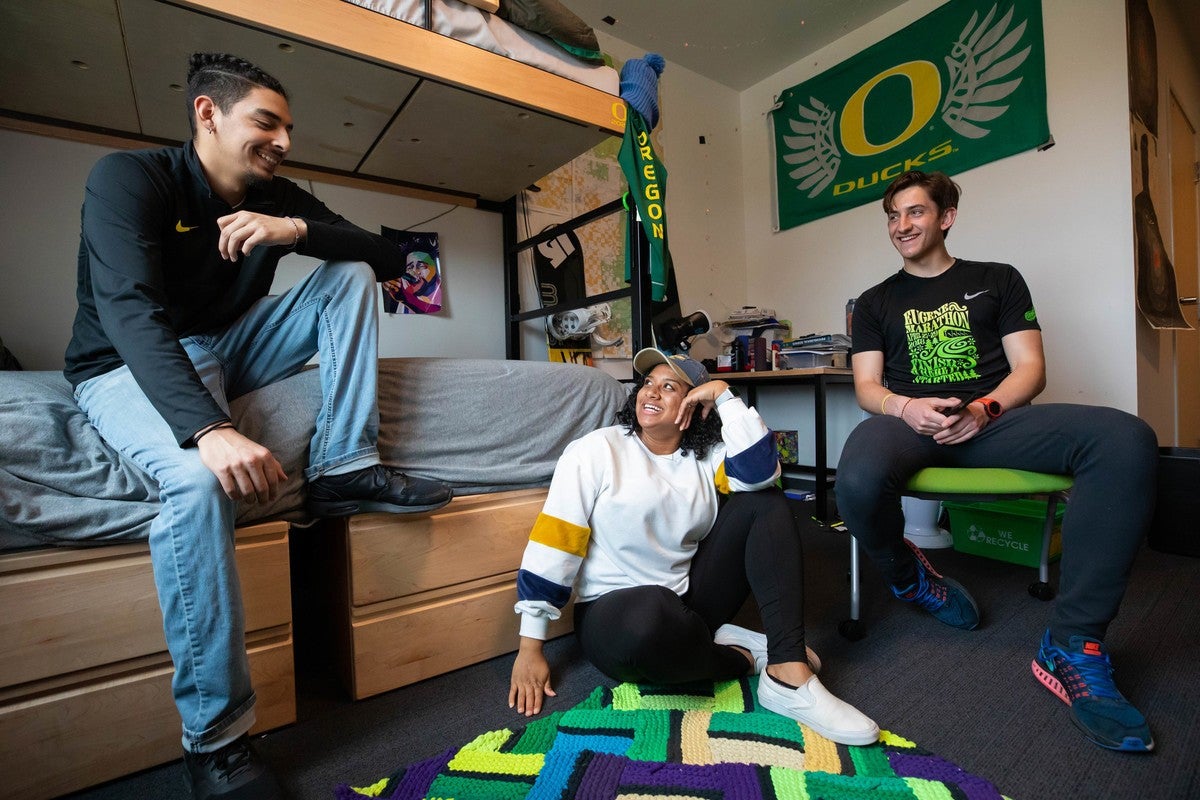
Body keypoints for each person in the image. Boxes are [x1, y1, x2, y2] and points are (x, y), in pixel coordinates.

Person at [60, 53, 454, 798]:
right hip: (120, 362)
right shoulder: (130, 179)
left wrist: (291, 227)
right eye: (266, 123)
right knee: (195, 485)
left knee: (346, 275)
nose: (284, 142)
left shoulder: (274, 195)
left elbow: (389, 258)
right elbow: (129, 312)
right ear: (207, 114)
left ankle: (343, 466)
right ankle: (215, 739)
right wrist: (209, 429)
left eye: (288, 129)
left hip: (228, 347)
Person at [836, 170, 1158, 752]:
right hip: (910, 424)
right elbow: (866, 387)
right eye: (892, 215)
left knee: (1124, 438)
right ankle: (909, 578)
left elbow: (1030, 369)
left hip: (990, 420)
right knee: (855, 476)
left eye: (914, 212)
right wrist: (905, 408)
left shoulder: (997, 279)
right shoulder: (875, 302)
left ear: (946, 217)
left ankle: (1073, 642)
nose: (901, 225)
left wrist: (985, 409)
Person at [507, 348, 879, 746]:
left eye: (669, 387)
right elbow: (555, 544)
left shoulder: (708, 457)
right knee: (649, 617)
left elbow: (761, 473)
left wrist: (723, 396)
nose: (651, 392)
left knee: (765, 501)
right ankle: (743, 657)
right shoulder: (595, 450)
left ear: (693, 406)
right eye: (647, 383)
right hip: (614, 613)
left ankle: (788, 672)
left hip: (688, 602)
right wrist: (530, 646)